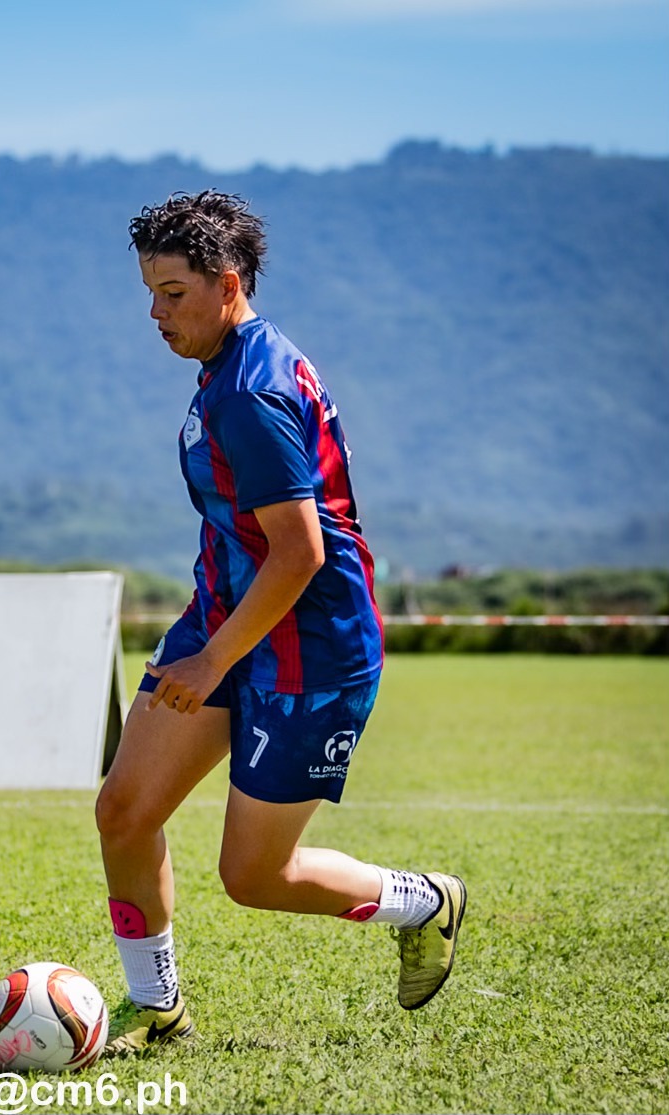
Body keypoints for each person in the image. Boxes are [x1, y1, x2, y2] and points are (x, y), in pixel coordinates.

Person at [96, 192, 466, 1051]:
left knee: (256, 875)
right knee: (124, 810)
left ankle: (426, 901)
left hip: (310, 650)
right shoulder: (233, 364)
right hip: (225, 623)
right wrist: (210, 648)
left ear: (228, 284)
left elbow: (297, 554)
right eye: (149, 291)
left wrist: (208, 663)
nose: (155, 312)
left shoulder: (250, 390)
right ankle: (161, 1013)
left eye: (174, 292)